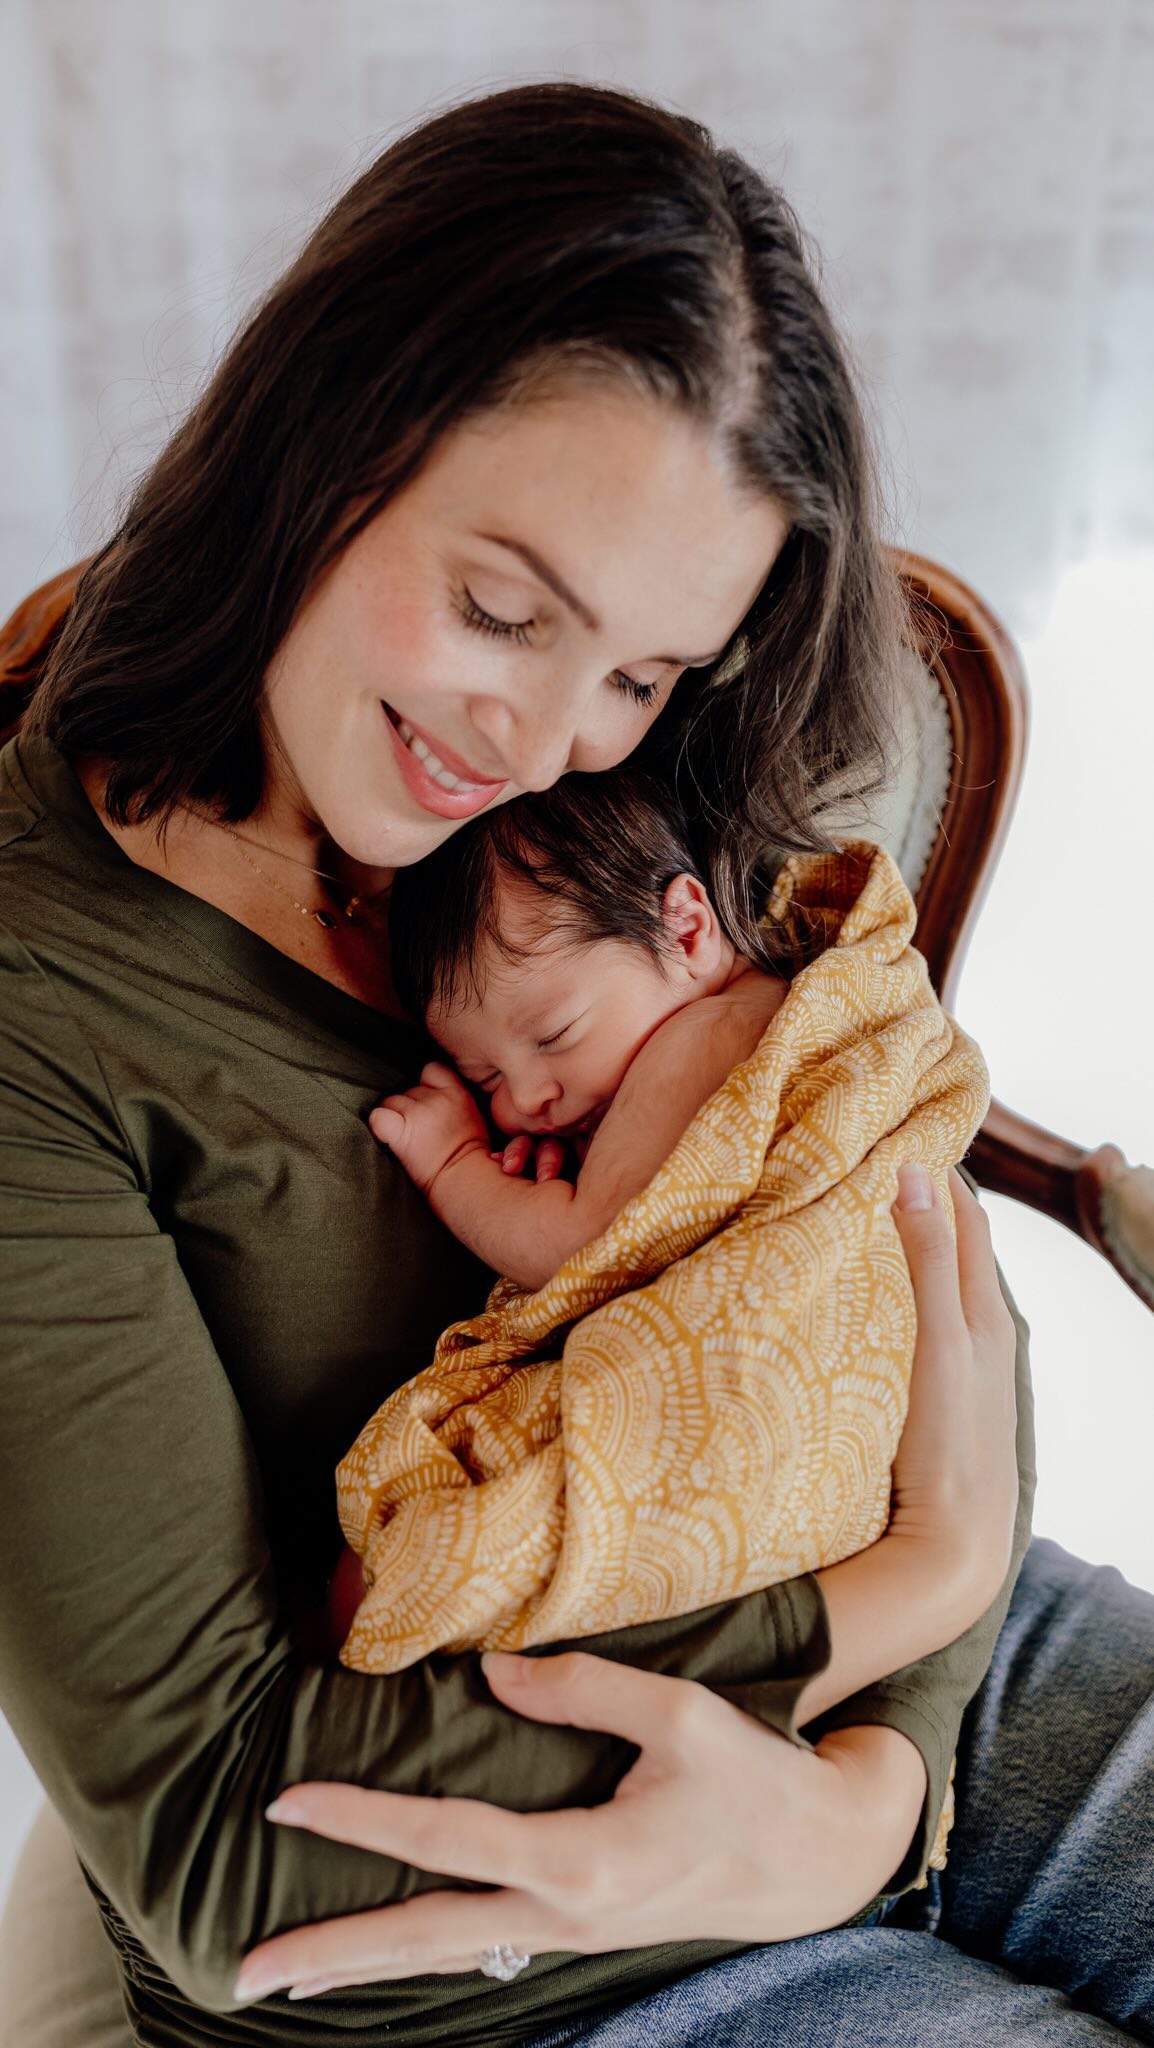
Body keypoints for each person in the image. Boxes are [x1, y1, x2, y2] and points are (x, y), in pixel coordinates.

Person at [0, 77, 1146, 2048]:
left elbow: (881, 1225)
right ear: (321, 435)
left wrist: (873, 1774)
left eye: (631, 669)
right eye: (497, 608)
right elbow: (211, 1849)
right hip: (513, 1953)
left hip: (926, 1663)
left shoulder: (646, 810)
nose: (539, 741)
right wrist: (891, 1591)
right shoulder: (42, 1007)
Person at [332, 768, 995, 1688]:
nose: (526, 1098)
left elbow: (579, 1247)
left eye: (556, 1035)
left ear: (686, 929)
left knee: (398, 1568)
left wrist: (457, 1169)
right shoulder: (761, 1005)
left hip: (774, 1377)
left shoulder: (703, 1040)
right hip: (927, 1502)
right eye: (483, 1079)